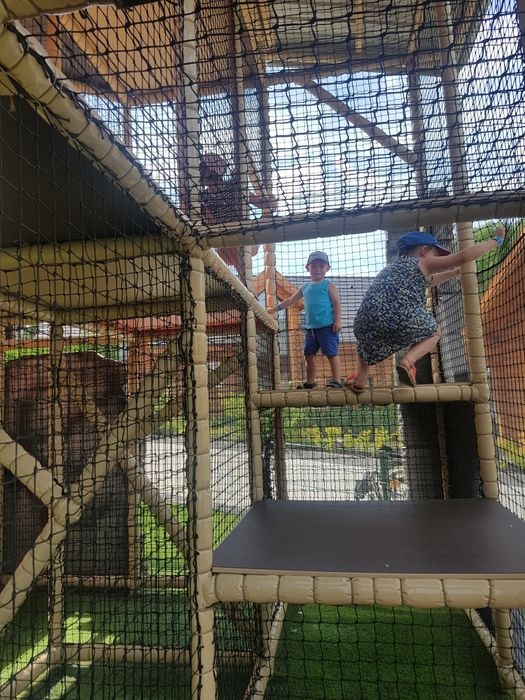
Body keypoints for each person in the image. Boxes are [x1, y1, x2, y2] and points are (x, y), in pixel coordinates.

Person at [346, 227, 506, 393]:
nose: (437, 258)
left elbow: (429, 280)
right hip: (398, 318)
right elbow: (463, 257)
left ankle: (360, 379)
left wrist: (456, 272)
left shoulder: (392, 269)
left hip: (363, 323)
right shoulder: (421, 262)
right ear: (423, 250)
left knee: (365, 344)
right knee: (434, 332)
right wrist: (496, 241)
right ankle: (407, 362)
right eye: (435, 254)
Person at [268, 251, 343, 389]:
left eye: (321, 266)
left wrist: (338, 321)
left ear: (327, 268)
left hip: (327, 327)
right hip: (311, 329)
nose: (317, 269)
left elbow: (337, 303)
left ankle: (337, 381)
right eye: (313, 266)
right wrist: (275, 308)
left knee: (331, 353)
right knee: (308, 354)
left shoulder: (328, 285)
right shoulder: (305, 287)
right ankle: (310, 382)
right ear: (307, 268)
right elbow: (291, 300)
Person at [200, 153, 277, 270]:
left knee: (236, 227)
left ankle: (242, 274)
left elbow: (260, 202)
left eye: (204, 169)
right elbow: (212, 224)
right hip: (225, 245)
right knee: (228, 236)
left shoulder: (233, 187)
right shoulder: (203, 198)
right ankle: (242, 274)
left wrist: (271, 202)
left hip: (246, 240)